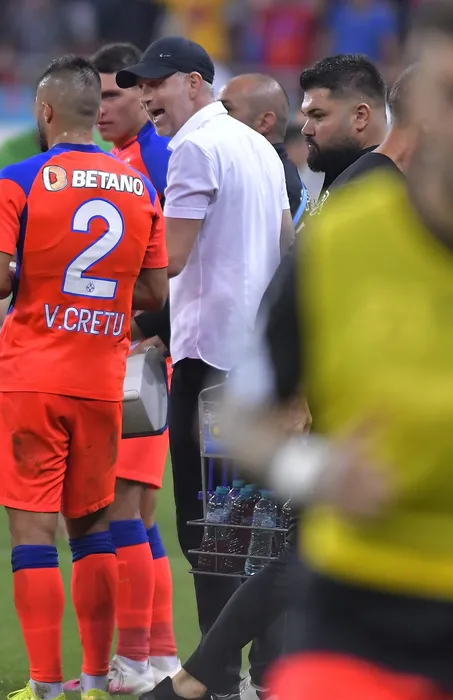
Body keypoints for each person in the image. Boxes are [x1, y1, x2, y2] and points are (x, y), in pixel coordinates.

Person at [221, 7, 453, 697]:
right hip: (358, 608)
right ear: (415, 106)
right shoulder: (342, 241)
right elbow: (240, 415)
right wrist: (312, 469)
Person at [0, 54, 169, 700]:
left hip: (31, 375)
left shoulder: (18, 180)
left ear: (45, 111)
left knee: (33, 533)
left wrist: (27, 275)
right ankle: (92, 681)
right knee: (92, 531)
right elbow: (153, 290)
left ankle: (44, 685)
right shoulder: (138, 188)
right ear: (95, 111)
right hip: (101, 380)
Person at [116, 36, 293, 697]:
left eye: (154, 85)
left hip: (212, 367)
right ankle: (268, 676)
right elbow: (285, 249)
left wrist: (95, 280)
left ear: (194, 83)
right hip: (258, 367)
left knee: (209, 538)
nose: (145, 98)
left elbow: (171, 257)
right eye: (139, 87)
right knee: (258, 533)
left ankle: (213, 678)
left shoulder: (194, 146)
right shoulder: (259, 147)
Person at [60, 41, 178, 696]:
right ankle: (158, 654)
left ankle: (131, 661)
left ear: (143, 94)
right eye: (95, 96)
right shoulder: (121, 163)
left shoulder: (155, 161)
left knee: (122, 510)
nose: (101, 107)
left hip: (141, 356)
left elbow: (175, 265)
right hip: (128, 355)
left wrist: (152, 330)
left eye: (113, 94)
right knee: (137, 514)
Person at [298, 54, 388, 214]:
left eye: (318, 116)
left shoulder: (374, 191)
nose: (306, 130)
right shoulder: (341, 172)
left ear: (360, 116)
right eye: (306, 116)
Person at [217, 74, 307, 223]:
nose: (214, 116)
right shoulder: (272, 174)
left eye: (226, 109)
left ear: (264, 122)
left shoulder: (272, 185)